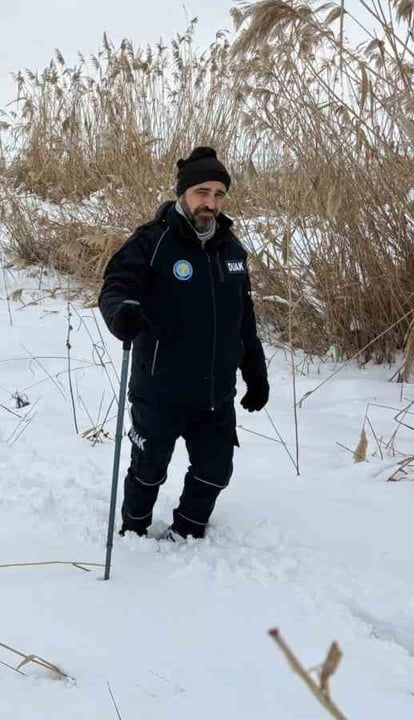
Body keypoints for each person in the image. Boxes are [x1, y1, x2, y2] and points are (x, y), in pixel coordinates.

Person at [99, 146, 269, 542]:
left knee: (215, 471)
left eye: (218, 194)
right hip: (160, 386)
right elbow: (117, 285)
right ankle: (134, 530)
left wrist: (255, 372)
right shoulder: (153, 241)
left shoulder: (232, 250)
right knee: (149, 467)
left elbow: (244, 318)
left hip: (215, 390)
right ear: (183, 194)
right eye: (202, 193)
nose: (210, 203)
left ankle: (187, 533)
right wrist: (122, 311)